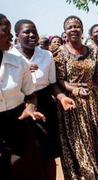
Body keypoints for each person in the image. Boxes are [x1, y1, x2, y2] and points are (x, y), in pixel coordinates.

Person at [54, 15, 98, 180]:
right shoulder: (60, 53)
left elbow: (96, 77)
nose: (73, 29)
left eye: (77, 26)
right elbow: (59, 80)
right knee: (79, 142)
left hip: (92, 102)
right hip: (72, 104)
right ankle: (87, 175)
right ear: (65, 32)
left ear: (82, 30)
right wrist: (74, 89)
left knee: (97, 138)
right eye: (69, 27)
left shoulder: (93, 52)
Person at [9, 19, 59, 180]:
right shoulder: (10, 57)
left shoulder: (47, 55)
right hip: (20, 107)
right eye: (26, 32)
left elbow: (52, 84)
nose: (32, 35)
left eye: (34, 32)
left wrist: (62, 97)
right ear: (17, 36)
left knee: (48, 152)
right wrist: (23, 72)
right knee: (25, 155)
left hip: (44, 106)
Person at [0, 13, 46, 180]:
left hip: (17, 123)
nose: (11, 36)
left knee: (23, 169)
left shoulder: (19, 63)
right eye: (6, 31)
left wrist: (30, 107)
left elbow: (31, 95)